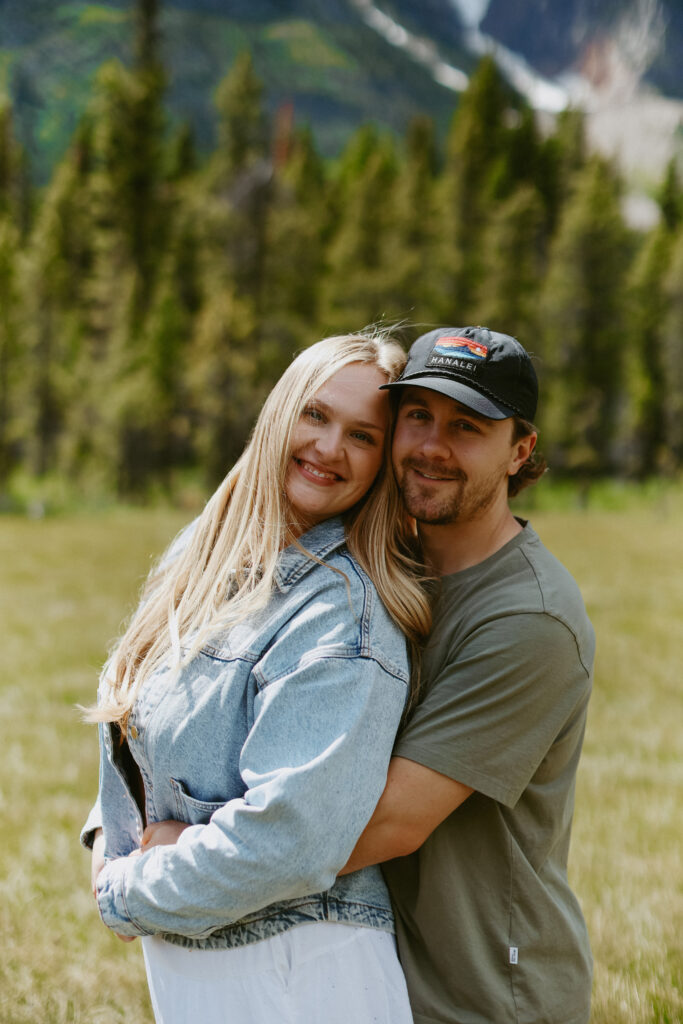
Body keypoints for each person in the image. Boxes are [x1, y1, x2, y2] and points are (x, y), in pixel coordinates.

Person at [80, 332, 432, 1024]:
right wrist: (110, 841)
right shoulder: (203, 552)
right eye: (315, 415)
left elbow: (288, 841)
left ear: (381, 464)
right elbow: (138, 726)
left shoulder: (343, 615)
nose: (329, 448)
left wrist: (124, 891)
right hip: (201, 956)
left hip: (300, 969)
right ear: (278, 414)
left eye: (362, 436)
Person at [342, 326, 595, 1024]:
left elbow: (391, 822)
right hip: (383, 975)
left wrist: (201, 854)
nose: (431, 446)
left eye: (466, 427)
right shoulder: (385, 566)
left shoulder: (530, 619)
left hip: (486, 995)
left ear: (520, 451)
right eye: (417, 415)